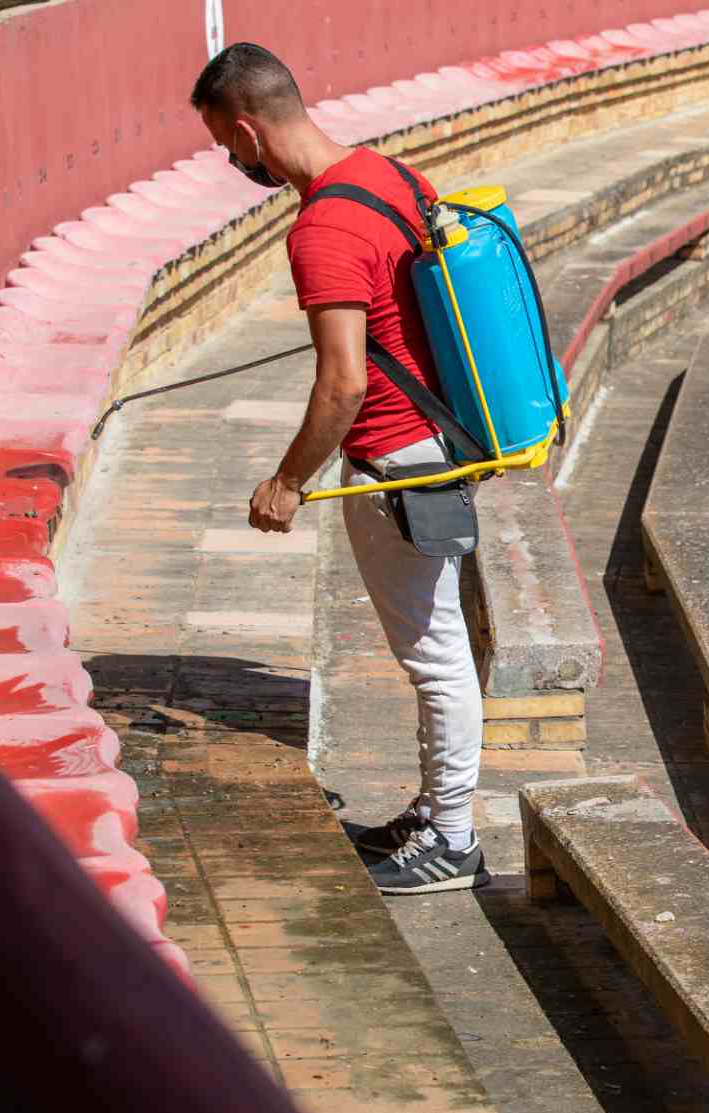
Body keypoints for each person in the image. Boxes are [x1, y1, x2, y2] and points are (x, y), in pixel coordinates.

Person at [191, 43, 488, 895]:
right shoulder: (391, 175)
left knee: (434, 655)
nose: (231, 159)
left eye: (224, 144)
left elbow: (343, 383)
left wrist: (287, 481)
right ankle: (437, 814)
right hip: (439, 438)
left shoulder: (321, 228)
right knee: (433, 647)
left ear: (249, 129)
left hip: (397, 459)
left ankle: (455, 840)